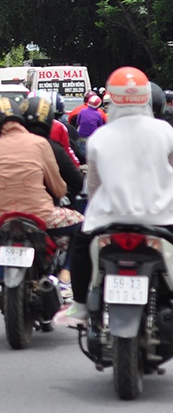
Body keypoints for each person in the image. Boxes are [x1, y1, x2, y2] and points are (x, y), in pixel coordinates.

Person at [55, 67, 173, 327]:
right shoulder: (165, 132)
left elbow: (93, 186)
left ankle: (81, 306)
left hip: (108, 220)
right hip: (161, 219)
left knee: (81, 245)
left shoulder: (100, 137)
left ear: (112, 98)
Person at [0, 96, 83, 296]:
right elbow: (58, 187)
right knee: (83, 227)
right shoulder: (40, 143)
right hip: (41, 214)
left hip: (1, 217)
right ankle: (66, 277)